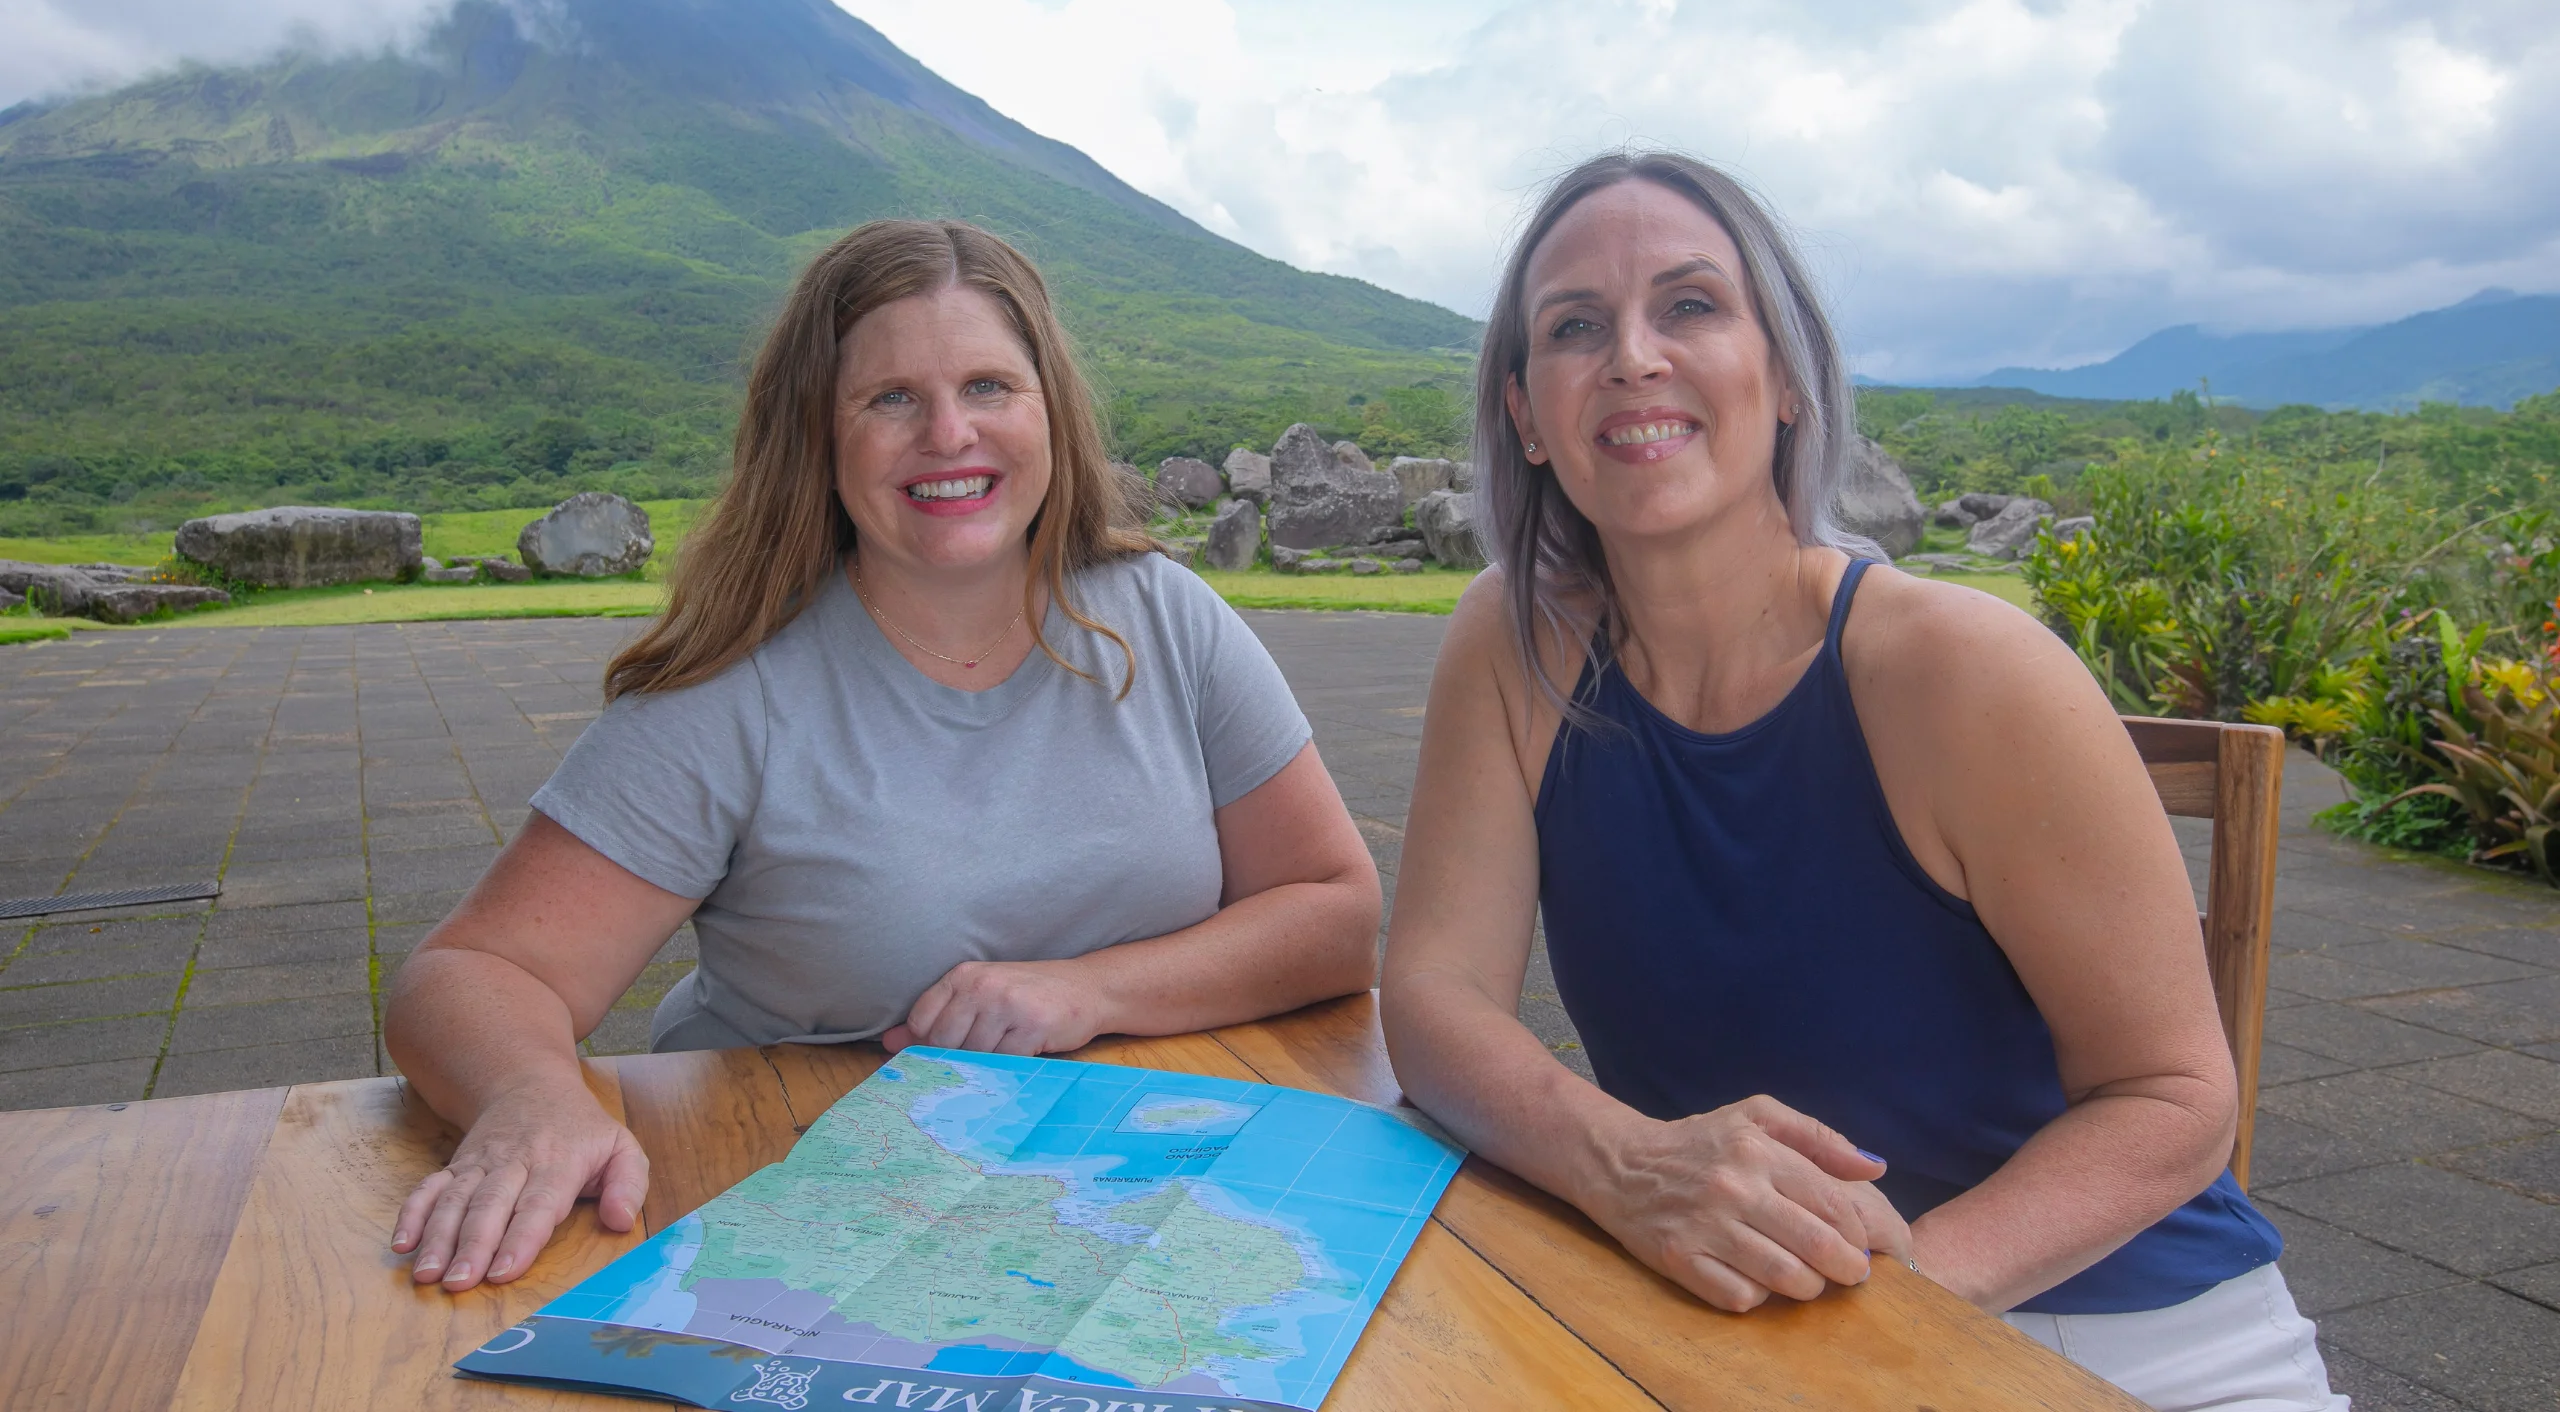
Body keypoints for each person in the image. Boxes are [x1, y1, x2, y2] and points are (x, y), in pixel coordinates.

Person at [1378, 152, 2343, 1410]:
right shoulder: (1516, 643)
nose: (1631, 356)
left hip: (2114, 1325)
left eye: (1689, 305)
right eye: (1574, 326)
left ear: (1783, 376)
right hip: (1752, 1322)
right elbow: (1438, 996)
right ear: (1524, 412)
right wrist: (1621, 1162)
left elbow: (2172, 1097)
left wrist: (1888, 1316)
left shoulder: (1960, 668)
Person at [383, 219, 1381, 1295]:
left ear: (1051, 410)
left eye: (990, 386)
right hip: (821, 1221)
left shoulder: (1164, 614)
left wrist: (1085, 992)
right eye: (890, 399)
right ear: (816, 434)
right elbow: (472, 974)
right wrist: (529, 1095)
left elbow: (1335, 909)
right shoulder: (740, 688)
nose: (949, 432)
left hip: (1142, 1205)